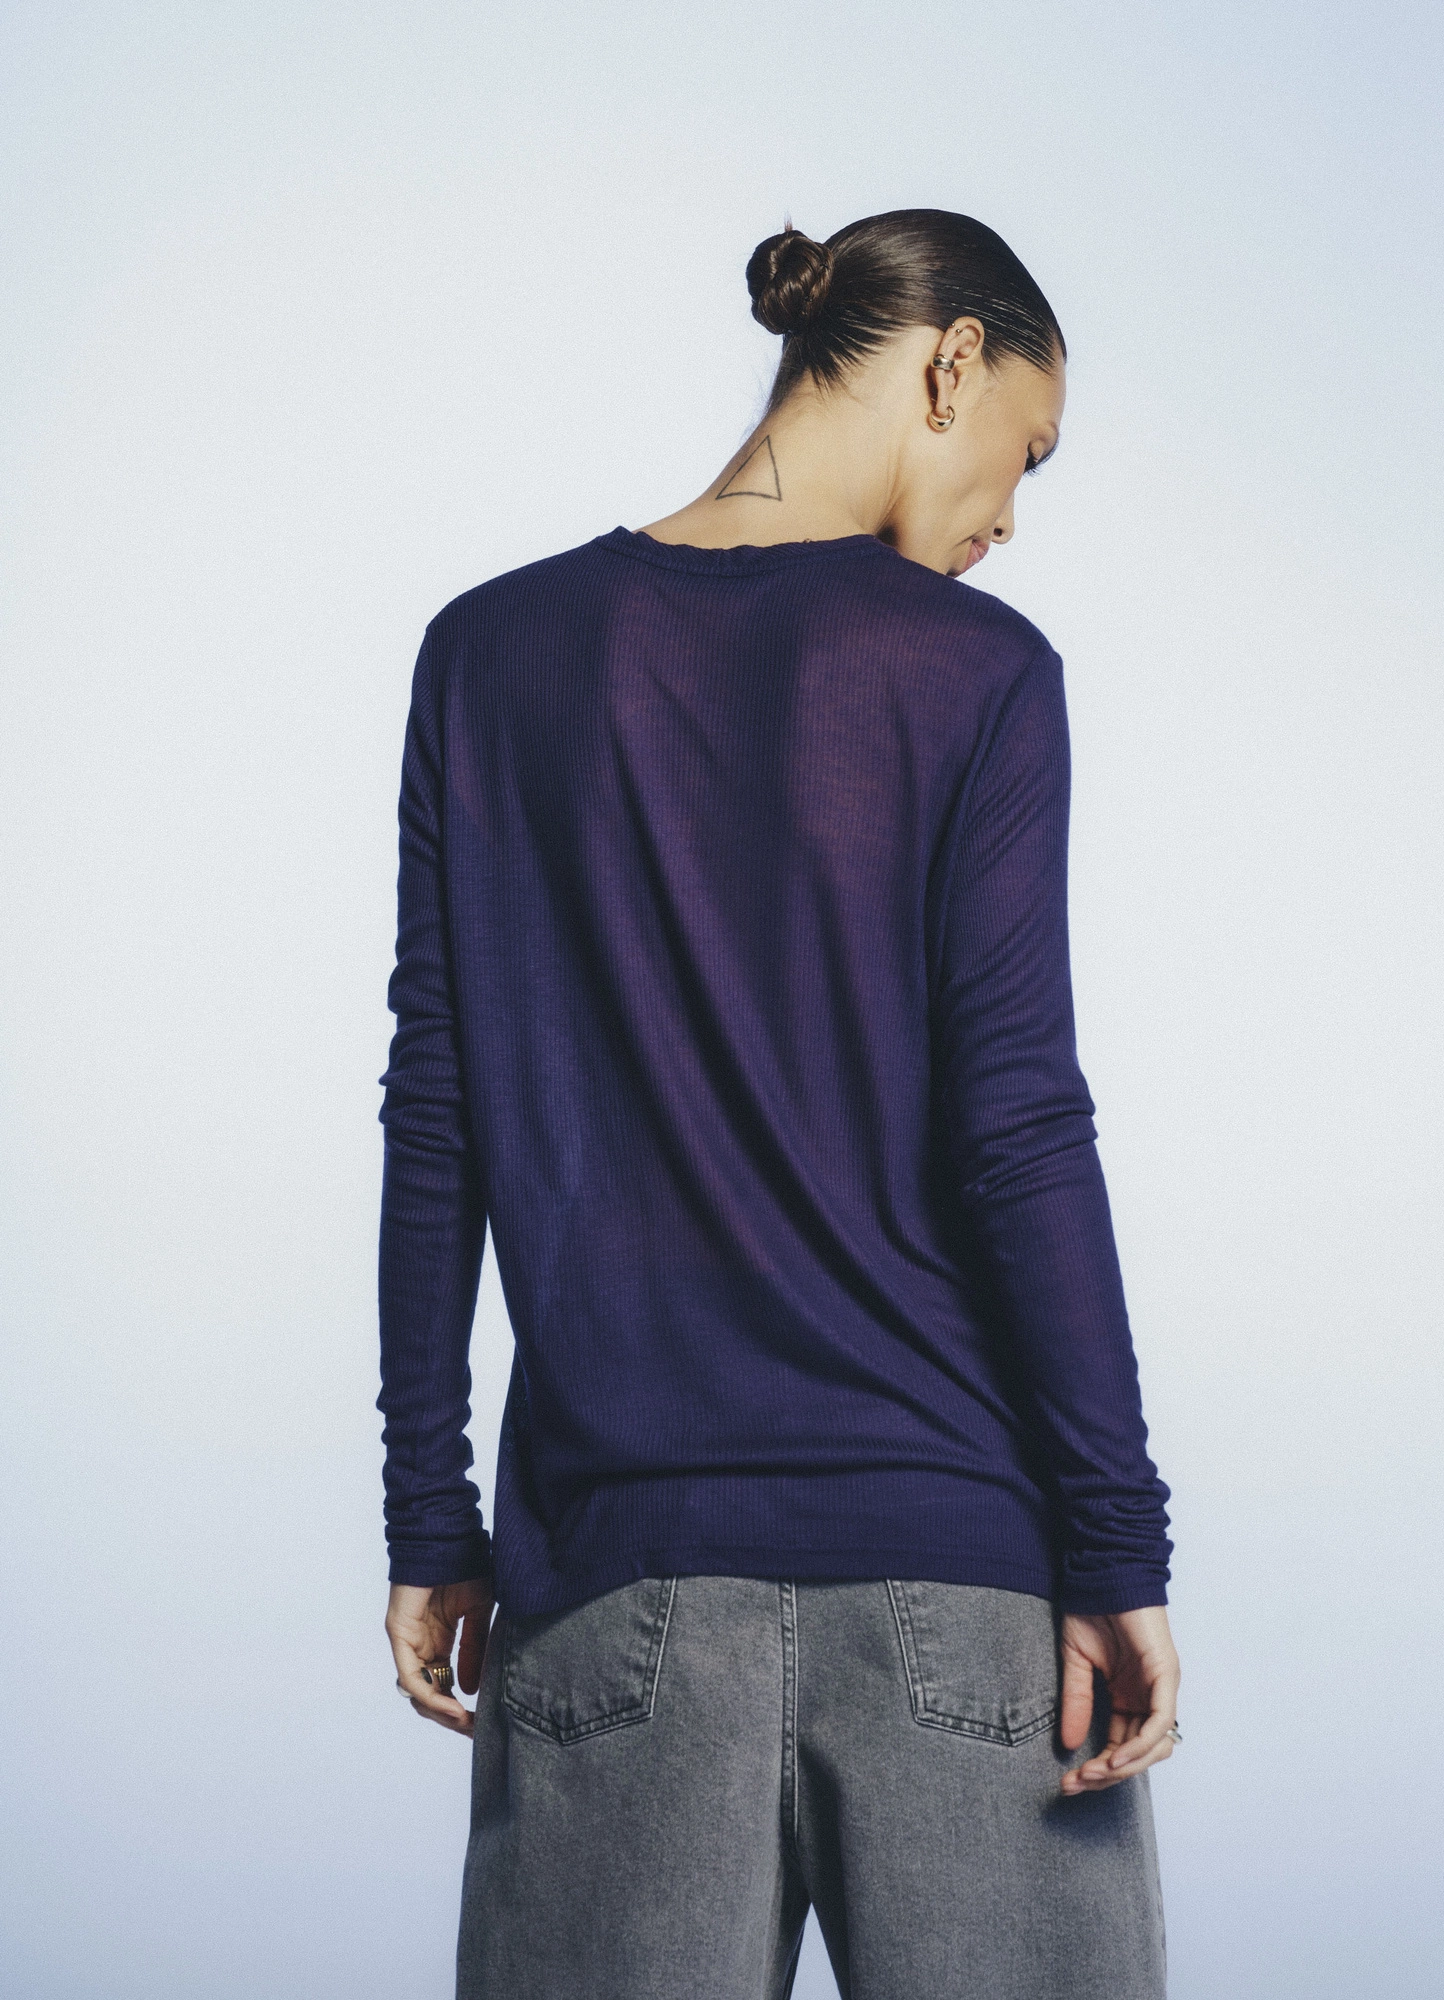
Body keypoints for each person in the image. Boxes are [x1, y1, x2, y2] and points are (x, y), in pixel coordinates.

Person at [377, 208, 1179, 2000]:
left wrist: (430, 1514)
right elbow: (1019, 1129)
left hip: (614, 1583)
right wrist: (1118, 1543)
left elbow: (440, 1111)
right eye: (1028, 451)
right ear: (950, 365)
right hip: (960, 1578)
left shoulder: (490, 657)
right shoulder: (977, 676)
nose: (1011, 517)